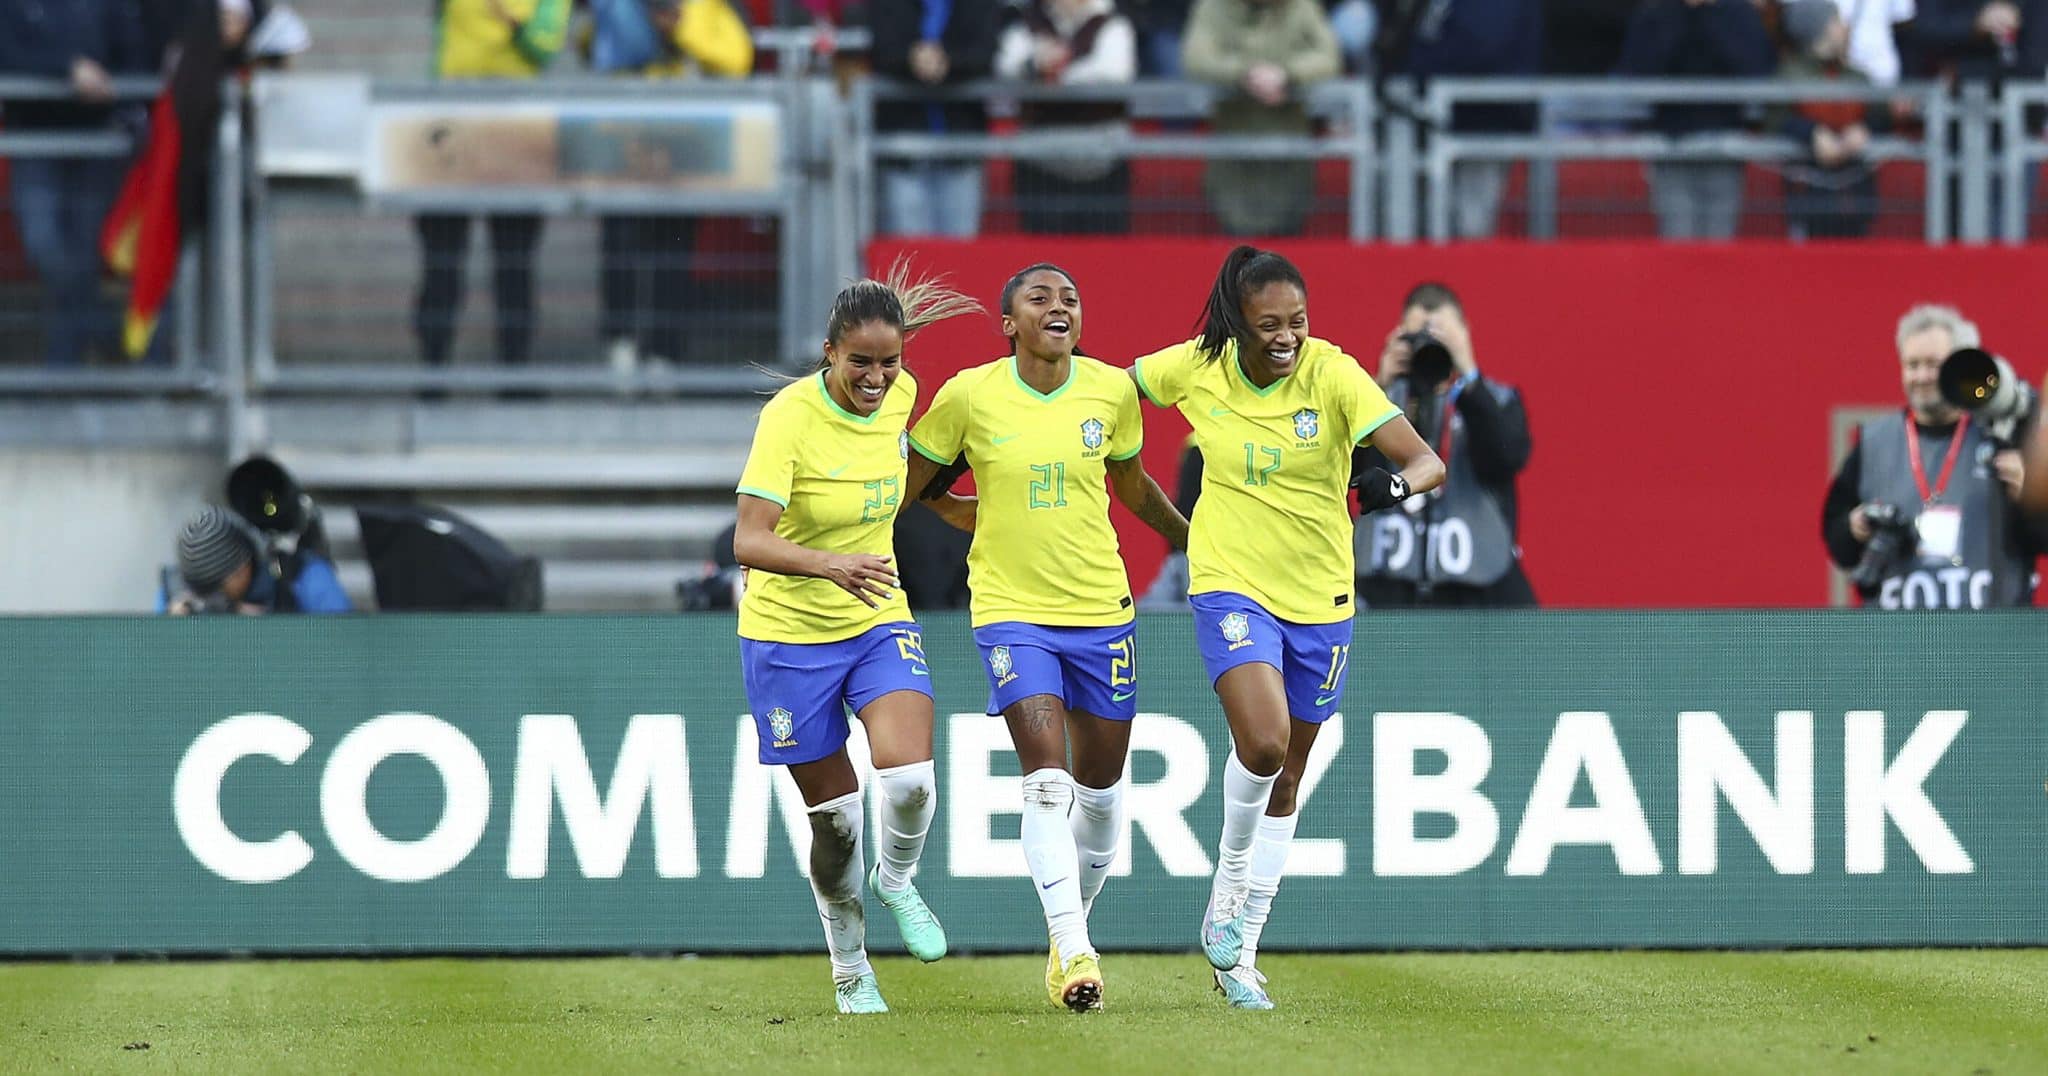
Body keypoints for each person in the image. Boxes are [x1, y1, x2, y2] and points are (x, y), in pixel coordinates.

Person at [1130, 246, 1443, 1008]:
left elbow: (1429, 461)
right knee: (1264, 743)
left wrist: (1391, 483)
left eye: (1297, 321)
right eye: (1269, 323)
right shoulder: (1196, 368)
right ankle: (1228, 888)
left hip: (1321, 599)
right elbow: (1106, 389)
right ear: (1237, 324)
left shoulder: (1332, 373)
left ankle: (1239, 950)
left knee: (1290, 774)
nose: (1286, 337)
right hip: (1231, 584)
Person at [903, 263, 1190, 1013]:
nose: (1058, 306)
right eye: (1040, 298)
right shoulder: (970, 395)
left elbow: (1129, 485)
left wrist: (1191, 539)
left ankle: (1070, 930)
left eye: (1070, 297)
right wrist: (962, 512)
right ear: (1009, 322)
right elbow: (912, 482)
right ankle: (1077, 952)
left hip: (1102, 607)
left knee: (1098, 799)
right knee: (1046, 779)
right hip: (1010, 611)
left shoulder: (1112, 391)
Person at [731, 269, 980, 1014]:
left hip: (874, 612)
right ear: (829, 353)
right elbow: (749, 539)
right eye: (860, 363)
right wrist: (831, 562)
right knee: (836, 824)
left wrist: (956, 506)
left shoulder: (901, 398)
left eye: (889, 362)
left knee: (909, 781)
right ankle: (850, 967)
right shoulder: (788, 419)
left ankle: (897, 879)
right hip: (786, 635)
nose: (877, 379)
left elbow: (894, 476)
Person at [1821, 304, 2048, 608]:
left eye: (1934, 364)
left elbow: (2041, 539)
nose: (1923, 376)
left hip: (1990, 640)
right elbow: (1837, 539)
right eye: (1912, 365)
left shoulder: (2002, 435)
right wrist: (1855, 525)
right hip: (1898, 640)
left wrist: (2032, 496)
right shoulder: (1874, 442)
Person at [587, 0, 753, 377]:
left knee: (672, 256)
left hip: (680, 154)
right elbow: (592, 48)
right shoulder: (618, 7)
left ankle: (665, 357)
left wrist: (678, 28)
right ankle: (621, 349)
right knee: (620, 248)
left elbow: (737, 58)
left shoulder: (705, 8)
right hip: (622, 146)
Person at [414, 0, 571, 375]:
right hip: (452, 118)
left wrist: (512, 19)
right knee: (442, 257)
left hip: (513, 121)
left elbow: (545, 46)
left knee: (515, 259)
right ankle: (432, 369)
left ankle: (514, 373)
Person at [1359, 282, 1536, 606]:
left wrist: (1470, 379)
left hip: (1477, 585)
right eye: (1418, 340)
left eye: (1441, 340)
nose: (1429, 349)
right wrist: (1375, 387)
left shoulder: (1494, 400)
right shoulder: (1379, 405)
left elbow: (1506, 455)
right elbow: (1343, 467)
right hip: (1387, 585)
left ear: (1464, 336)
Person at [0, 0, 140, 368]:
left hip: (96, 141)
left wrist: (116, 87)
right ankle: (103, 328)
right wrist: (66, 69)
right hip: (33, 140)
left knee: (86, 253)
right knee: (42, 241)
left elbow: (133, 50)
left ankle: (63, 369)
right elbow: (8, 52)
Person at [1613, 0, 1776, 241]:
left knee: (1719, 251)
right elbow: (1637, 72)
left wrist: (1710, 13)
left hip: (1724, 148)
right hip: (1672, 149)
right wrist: (1684, 14)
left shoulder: (1737, 13)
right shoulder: (1658, 14)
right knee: (1678, 247)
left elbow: (1756, 69)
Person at [1182, 0, 1341, 236]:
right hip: (1232, 153)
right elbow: (1195, 58)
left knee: (1288, 254)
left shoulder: (1303, 6)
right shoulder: (1212, 7)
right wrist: (1244, 73)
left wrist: (1287, 75)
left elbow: (1329, 56)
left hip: (1290, 153)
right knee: (1236, 255)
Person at [993, 0, 1138, 235]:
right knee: (1041, 261)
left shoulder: (1112, 23)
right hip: (1040, 170)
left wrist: (1058, 70)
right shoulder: (1027, 23)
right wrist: (1035, 63)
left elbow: (1115, 71)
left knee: (1103, 256)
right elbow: (1006, 66)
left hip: (1102, 166)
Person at [867, 0, 1000, 237]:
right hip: (901, 148)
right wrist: (912, 59)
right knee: (906, 257)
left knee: (959, 255)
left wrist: (947, 61)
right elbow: (882, 48)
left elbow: (985, 50)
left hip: (961, 147)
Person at [1772, 0, 1886, 241]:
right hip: (1807, 199)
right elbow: (1775, 121)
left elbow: (1881, 116)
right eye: (1835, 21)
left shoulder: (1857, 78)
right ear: (1819, 29)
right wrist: (1811, 133)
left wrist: (1863, 130)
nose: (1844, 27)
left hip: (1856, 200)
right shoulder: (1789, 76)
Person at [161, 505, 352, 615]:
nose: (211, 601)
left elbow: (343, 644)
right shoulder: (176, 590)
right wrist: (172, 634)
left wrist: (268, 632)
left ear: (242, 570)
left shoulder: (304, 578)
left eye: (216, 590)